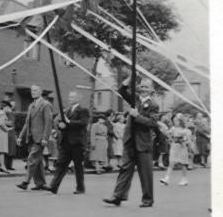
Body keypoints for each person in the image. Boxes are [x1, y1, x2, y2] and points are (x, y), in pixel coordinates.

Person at [102, 75, 159, 208]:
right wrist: (128, 80)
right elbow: (122, 91)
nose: (143, 89)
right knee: (125, 169)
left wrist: (136, 116)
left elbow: (152, 123)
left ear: (151, 90)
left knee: (145, 173)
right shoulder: (135, 100)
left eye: (147, 87)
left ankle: (148, 199)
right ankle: (118, 196)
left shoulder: (154, 105)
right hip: (129, 140)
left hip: (143, 143)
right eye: (142, 86)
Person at [44, 90, 89, 194]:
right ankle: (53, 186)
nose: (70, 99)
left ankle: (80, 188)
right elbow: (61, 122)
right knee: (61, 164)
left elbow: (83, 123)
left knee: (78, 166)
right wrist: (61, 126)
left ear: (78, 98)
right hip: (66, 142)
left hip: (77, 142)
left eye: (72, 97)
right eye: (69, 97)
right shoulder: (67, 110)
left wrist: (69, 122)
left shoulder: (83, 110)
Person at [16, 85, 53, 190]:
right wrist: (20, 136)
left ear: (40, 92)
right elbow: (27, 123)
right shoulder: (31, 105)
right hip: (31, 137)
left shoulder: (46, 105)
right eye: (32, 91)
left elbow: (48, 123)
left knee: (31, 159)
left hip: (40, 138)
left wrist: (45, 138)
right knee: (38, 161)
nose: (33, 92)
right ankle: (40, 183)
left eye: (35, 90)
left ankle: (25, 182)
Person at [160, 115, 192, 186]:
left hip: (182, 148)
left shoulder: (186, 130)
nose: (175, 122)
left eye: (176, 121)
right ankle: (167, 179)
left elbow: (188, 140)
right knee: (171, 163)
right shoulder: (173, 128)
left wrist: (183, 141)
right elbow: (168, 134)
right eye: (174, 121)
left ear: (181, 121)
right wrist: (164, 132)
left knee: (182, 164)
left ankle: (184, 179)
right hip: (174, 148)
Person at [0, 101, 12, 174]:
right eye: (8, 107)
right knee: (2, 150)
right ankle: (3, 166)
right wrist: (7, 129)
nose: (8, 109)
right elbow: (1, 124)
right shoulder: (3, 114)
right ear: (5, 107)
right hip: (2, 133)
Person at [4, 101, 17, 171]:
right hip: (8, 131)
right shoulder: (6, 113)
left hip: (12, 132)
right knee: (8, 148)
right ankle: (5, 165)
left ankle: (10, 165)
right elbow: (5, 122)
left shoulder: (11, 113)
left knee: (12, 149)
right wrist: (10, 124)